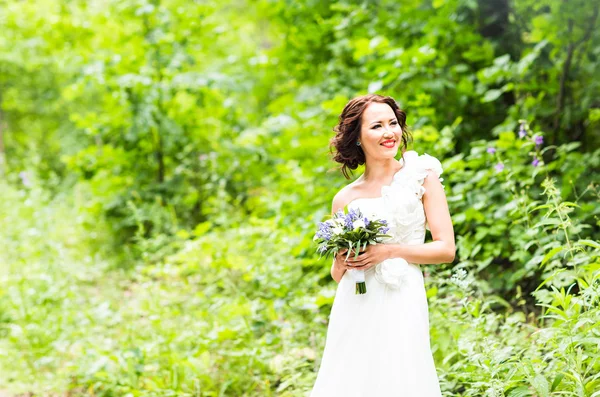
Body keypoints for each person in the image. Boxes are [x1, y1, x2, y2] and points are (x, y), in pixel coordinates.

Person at [309, 94, 455, 397]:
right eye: (377, 126)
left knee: (402, 375)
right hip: (355, 302)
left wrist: (388, 251)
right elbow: (339, 275)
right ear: (358, 138)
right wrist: (344, 260)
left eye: (393, 123)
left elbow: (445, 249)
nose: (389, 133)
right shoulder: (345, 198)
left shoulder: (421, 176)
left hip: (403, 296)